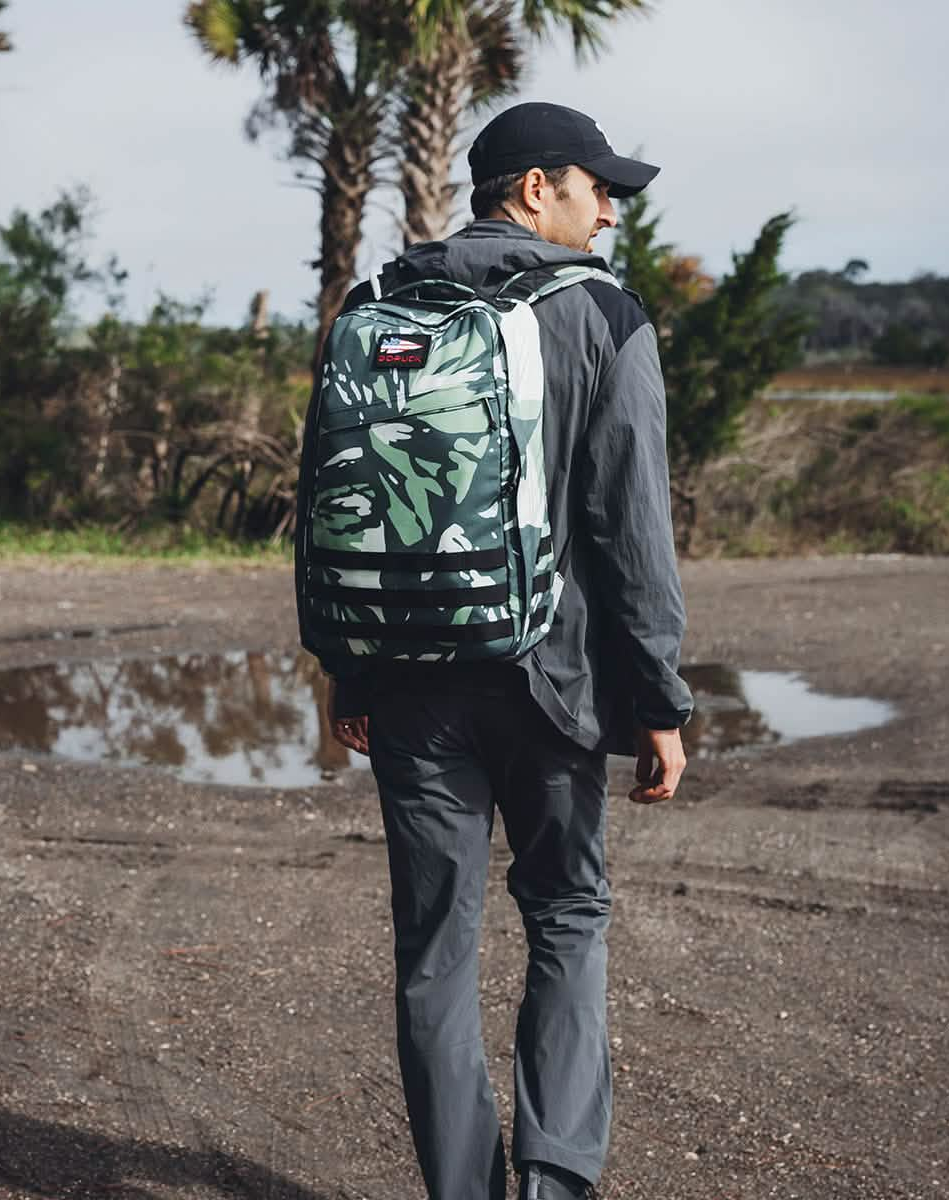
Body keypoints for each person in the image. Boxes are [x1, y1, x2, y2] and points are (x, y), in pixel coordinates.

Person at [312, 101, 693, 1200]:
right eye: (597, 186)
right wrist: (657, 701)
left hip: (412, 684)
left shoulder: (376, 303)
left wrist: (353, 666)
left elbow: (345, 500)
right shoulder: (603, 316)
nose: (611, 208)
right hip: (551, 682)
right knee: (567, 916)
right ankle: (556, 1185)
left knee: (434, 951)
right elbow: (632, 531)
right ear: (535, 189)